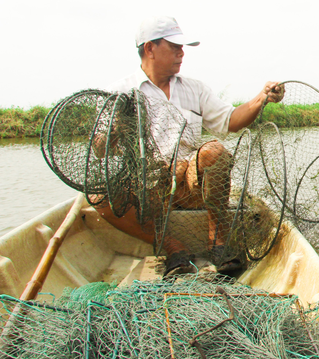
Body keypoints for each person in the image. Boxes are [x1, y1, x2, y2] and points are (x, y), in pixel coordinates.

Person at [96, 16, 284, 276]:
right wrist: (113, 133)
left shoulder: (194, 89)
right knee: (98, 195)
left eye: (181, 47)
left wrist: (262, 98)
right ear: (150, 48)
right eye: (174, 46)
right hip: (148, 189)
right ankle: (172, 246)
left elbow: (231, 120)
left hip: (189, 184)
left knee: (214, 151)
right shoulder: (119, 93)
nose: (181, 53)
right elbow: (99, 149)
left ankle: (217, 241)